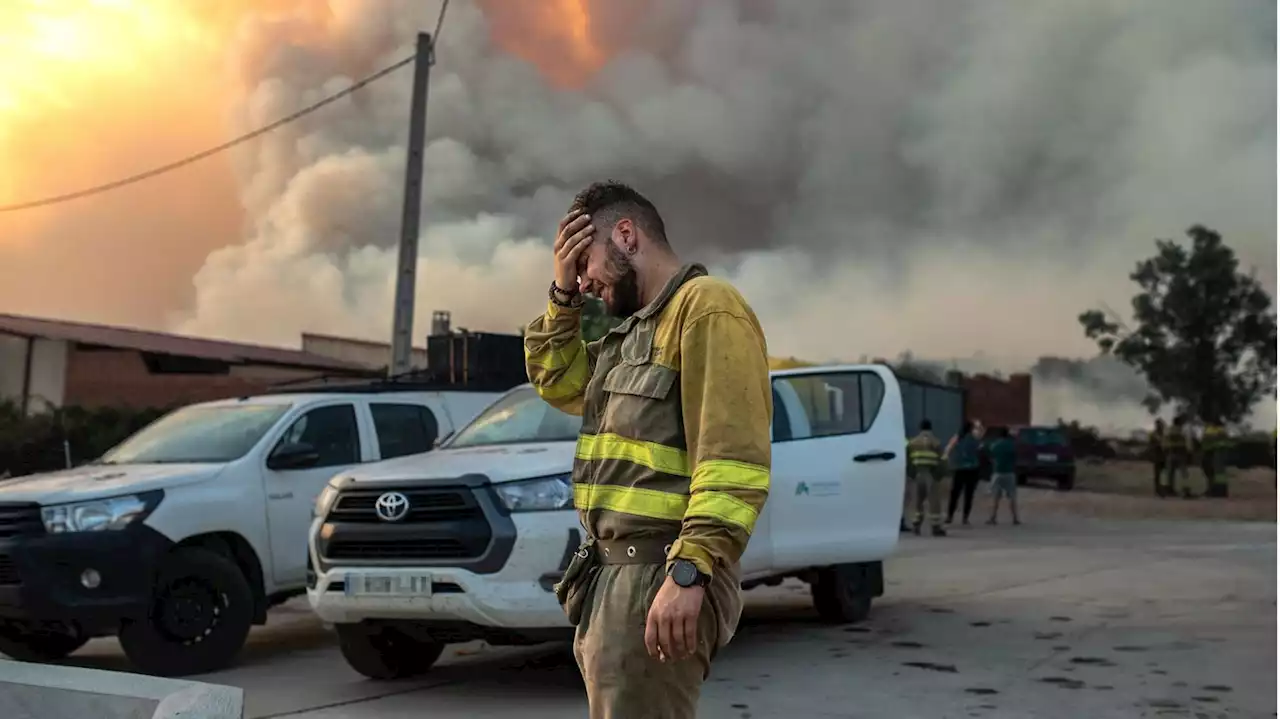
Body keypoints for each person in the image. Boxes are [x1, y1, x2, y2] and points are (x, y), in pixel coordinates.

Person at [523, 181, 772, 718]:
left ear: (627, 236)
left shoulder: (707, 309)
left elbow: (732, 464)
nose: (586, 282)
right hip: (613, 583)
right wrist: (562, 296)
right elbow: (558, 380)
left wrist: (690, 571)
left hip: (659, 577)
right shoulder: (632, 334)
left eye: (584, 263)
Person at [906, 419, 947, 536]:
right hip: (931, 474)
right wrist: (939, 476)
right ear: (931, 428)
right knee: (934, 501)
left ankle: (916, 525)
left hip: (917, 474)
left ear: (919, 428)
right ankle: (935, 527)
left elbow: (908, 461)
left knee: (917, 501)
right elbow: (942, 460)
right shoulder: (936, 442)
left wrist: (911, 474)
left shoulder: (912, 443)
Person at [944, 421, 982, 525]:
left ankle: (949, 516)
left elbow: (947, 450)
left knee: (955, 493)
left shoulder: (957, 438)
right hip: (972, 469)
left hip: (959, 468)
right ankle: (965, 518)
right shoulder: (975, 438)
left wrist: (949, 461)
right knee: (969, 495)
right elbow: (980, 449)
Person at [985, 426, 1021, 525]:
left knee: (995, 496)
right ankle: (1015, 518)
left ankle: (993, 517)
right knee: (1012, 496)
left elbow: (990, 456)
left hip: (997, 472)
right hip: (1009, 472)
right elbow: (1015, 458)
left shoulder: (995, 445)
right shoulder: (1012, 445)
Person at [1163, 415, 1193, 499]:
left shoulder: (1168, 430)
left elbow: (1164, 442)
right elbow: (1188, 443)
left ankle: (1168, 490)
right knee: (1184, 473)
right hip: (1180, 453)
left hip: (1170, 453)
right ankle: (1186, 490)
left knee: (1169, 473)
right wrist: (1189, 452)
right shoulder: (1182, 431)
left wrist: (1165, 451)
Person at [1148, 418, 1167, 497]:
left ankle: (1161, 489)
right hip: (1158, 456)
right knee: (1158, 474)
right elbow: (1151, 445)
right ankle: (1158, 490)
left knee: (1162, 474)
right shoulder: (1154, 434)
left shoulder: (1164, 434)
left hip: (1163, 456)